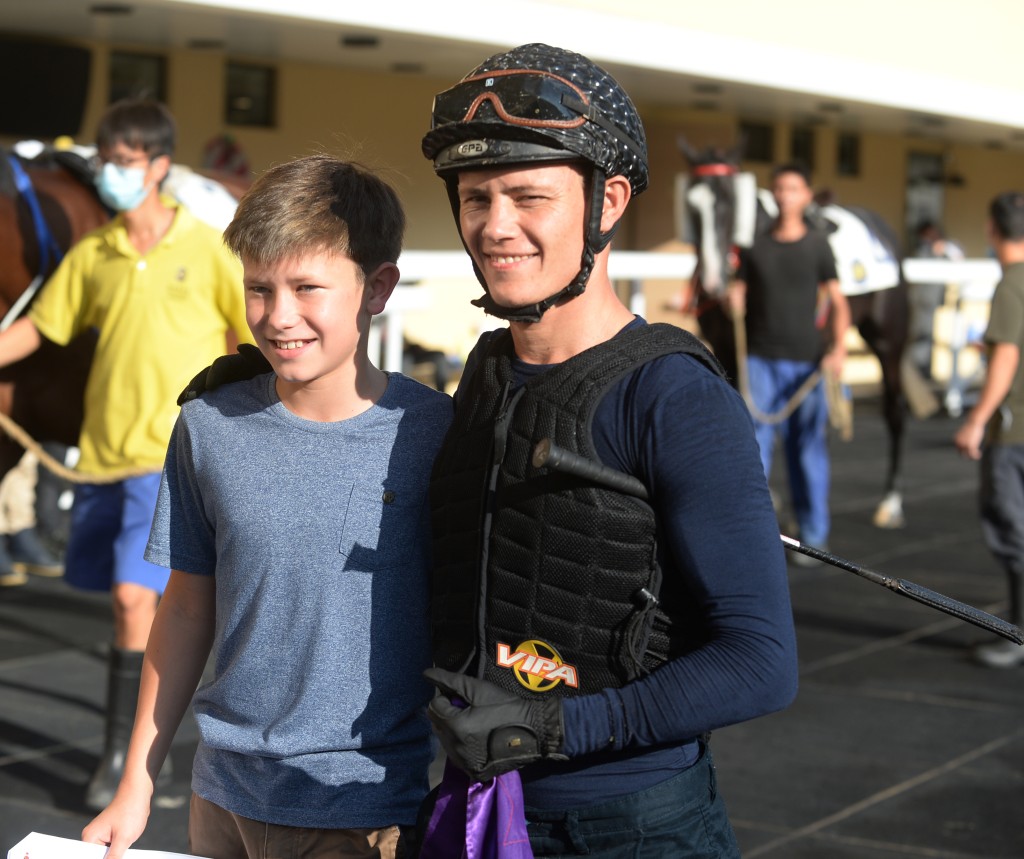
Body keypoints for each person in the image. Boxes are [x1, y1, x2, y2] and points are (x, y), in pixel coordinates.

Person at [417, 43, 798, 857]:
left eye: (529, 196)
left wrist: (550, 726)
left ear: (609, 200)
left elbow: (762, 660)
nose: (495, 226)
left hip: (628, 827)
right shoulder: (486, 371)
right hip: (474, 803)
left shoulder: (674, 395)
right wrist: (283, 383)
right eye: (476, 197)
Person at [82, 154, 452, 859]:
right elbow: (187, 606)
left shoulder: (434, 435)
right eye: (259, 289)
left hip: (356, 807)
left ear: (378, 286)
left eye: (307, 287)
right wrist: (136, 782)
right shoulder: (207, 427)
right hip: (219, 796)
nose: (279, 316)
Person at [0, 98, 252, 810]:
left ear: (160, 167)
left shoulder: (207, 249)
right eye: (105, 160)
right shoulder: (94, 255)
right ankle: (153, 752)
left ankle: (129, 758)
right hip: (102, 457)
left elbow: (247, 340)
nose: (112, 172)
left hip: (170, 457)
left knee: (132, 599)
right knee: (129, 606)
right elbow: (41, 332)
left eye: (126, 161)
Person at [729, 162, 850, 563]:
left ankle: (813, 538)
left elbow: (837, 301)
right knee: (755, 452)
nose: (785, 195)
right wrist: (736, 296)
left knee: (807, 452)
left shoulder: (817, 245)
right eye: (779, 188)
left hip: (808, 364)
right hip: (761, 360)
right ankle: (756, 535)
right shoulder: (756, 246)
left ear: (806, 195)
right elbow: (740, 287)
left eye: (793, 188)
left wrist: (838, 349)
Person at [954, 191, 1024, 669]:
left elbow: (1006, 355)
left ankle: (1018, 637)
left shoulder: (1012, 284)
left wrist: (977, 420)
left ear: (991, 229)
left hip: (1013, 431)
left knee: (1012, 531)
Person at [910, 221, 964, 380]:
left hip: (939, 301)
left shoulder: (947, 246)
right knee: (921, 335)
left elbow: (958, 257)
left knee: (936, 337)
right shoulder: (921, 249)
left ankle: (927, 369)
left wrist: (943, 249)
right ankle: (919, 370)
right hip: (921, 301)